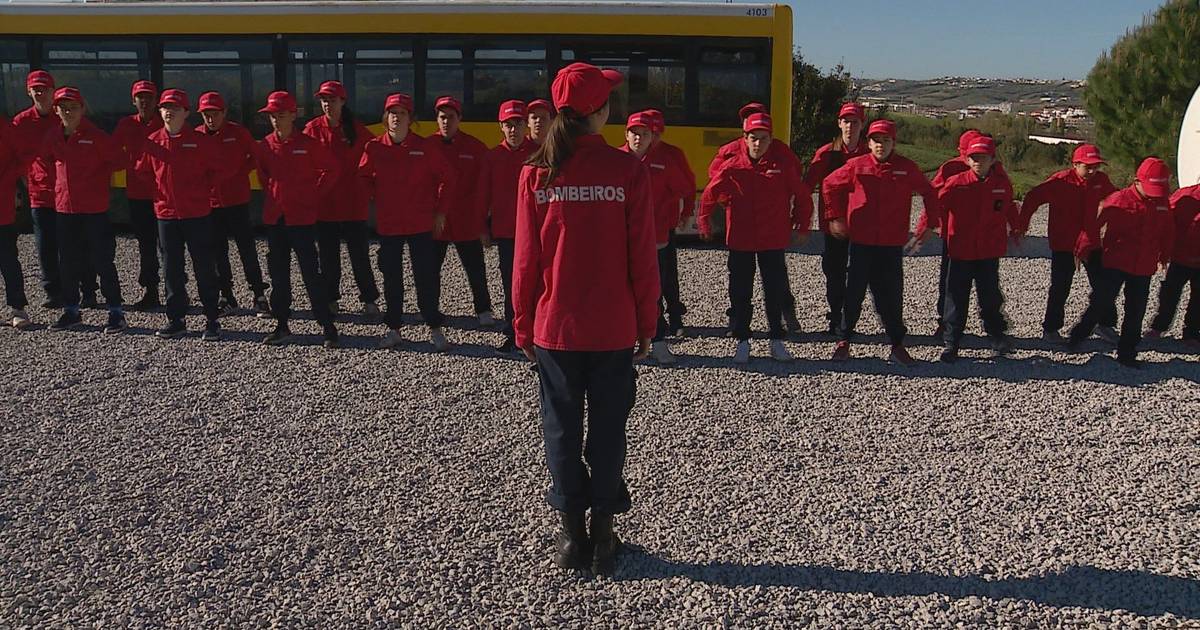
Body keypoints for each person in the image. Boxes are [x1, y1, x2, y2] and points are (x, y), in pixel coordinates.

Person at [513, 62, 658, 576]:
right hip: (614, 328)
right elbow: (643, 257)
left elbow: (526, 259)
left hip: (556, 329)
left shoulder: (537, 171)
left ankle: (572, 536)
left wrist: (523, 323)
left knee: (560, 429)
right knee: (608, 432)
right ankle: (602, 537)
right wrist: (647, 324)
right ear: (601, 110)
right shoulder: (627, 171)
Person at [822, 119, 939, 366]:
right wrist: (835, 217)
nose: (880, 145)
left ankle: (897, 345)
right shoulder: (857, 165)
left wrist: (928, 225)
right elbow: (829, 184)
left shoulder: (906, 168)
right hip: (861, 242)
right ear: (869, 142)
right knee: (853, 294)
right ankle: (844, 341)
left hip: (890, 245)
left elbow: (930, 193)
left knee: (892, 296)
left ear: (893, 143)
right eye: (876, 140)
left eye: (886, 141)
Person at [699, 112, 811, 363]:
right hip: (740, 238)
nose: (757, 143)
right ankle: (742, 339)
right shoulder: (732, 165)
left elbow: (803, 197)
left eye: (762, 138)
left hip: (772, 240)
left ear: (771, 139)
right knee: (740, 291)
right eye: (753, 138)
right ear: (745, 138)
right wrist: (704, 222)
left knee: (774, 291)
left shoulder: (782, 166)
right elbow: (709, 193)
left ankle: (776, 339)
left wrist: (802, 225)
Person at [358, 92, 455, 352]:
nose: (397, 118)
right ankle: (394, 329)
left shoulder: (426, 148)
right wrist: (371, 195)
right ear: (385, 118)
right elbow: (363, 177)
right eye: (393, 113)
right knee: (392, 278)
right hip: (389, 225)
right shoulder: (374, 147)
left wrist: (440, 211)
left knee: (426, 277)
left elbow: (447, 178)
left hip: (420, 224)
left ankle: (434, 328)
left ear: (410, 119)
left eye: (402, 113)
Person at [253, 90, 341, 348]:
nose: (276, 120)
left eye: (281, 114)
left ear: (293, 115)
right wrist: (273, 196)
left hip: (301, 218)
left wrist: (314, 194)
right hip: (276, 218)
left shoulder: (308, 144)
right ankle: (282, 324)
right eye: (272, 116)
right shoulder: (265, 145)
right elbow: (263, 176)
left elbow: (332, 169)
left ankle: (327, 325)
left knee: (311, 273)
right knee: (279, 275)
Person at [1067, 158, 1175, 367]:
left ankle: (1127, 352)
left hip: (1144, 266)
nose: (1155, 194)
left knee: (1136, 311)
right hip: (1115, 262)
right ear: (1137, 181)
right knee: (1101, 302)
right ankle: (1078, 336)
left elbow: (1168, 232)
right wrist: (1081, 249)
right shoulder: (1117, 199)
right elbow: (1092, 227)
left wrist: (1164, 256)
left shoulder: (1162, 204)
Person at [138, 88, 227, 340]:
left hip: (196, 214)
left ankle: (212, 319)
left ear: (186, 113)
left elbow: (217, 171)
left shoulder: (200, 142)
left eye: (175, 108)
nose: (168, 112)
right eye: (165, 107)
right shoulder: (153, 141)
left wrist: (200, 194)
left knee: (204, 267)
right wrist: (160, 196)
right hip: (166, 215)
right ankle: (176, 319)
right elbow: (142, 171)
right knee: (171, 269)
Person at [41, 87, 126, 333]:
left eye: (73, 107)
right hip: (65, 208)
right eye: (63, 107)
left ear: (82, 109)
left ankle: (116, 312)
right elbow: (45, 160)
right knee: (67, 262)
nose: (68, 111)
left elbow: (119, 161)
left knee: (102, 260)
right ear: (56, 110)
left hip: (94, 209)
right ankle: (71, 310)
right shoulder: (53, 136)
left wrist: (98, 178)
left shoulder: (96, 136)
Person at [10, 70, 96, 309]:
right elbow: (15, 156)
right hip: (40, 195)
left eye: (44, 89)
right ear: (29, 92)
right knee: (46, 246)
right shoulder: (21, 122)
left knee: (77, 244)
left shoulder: (64, 116)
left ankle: (88, 290)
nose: (40, 93)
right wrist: (24, 181)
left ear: (52, 91)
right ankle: (53, 292)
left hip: (69, 195)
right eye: (36, 89)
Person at [1016, 144, 1119, 342]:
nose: (1092, 171)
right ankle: (1051, 329)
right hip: (1063, 244)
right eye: (1088, 166)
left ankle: (1106, 325)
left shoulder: (1101, 180)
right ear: (1075, 164)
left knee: (1103, 286)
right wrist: (1022, 224)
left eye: (1096, 166)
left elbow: (1115, 199)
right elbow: (1032, 198)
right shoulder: (1060, 182)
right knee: (1060, 287)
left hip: (1091, 243)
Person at [933, 135, 1019, 363]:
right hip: (960, 250)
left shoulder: (1001, 184)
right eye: (974, 157)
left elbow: (1009, 207)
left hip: (988, 251)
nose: (979, 161)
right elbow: (936, 203)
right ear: (968, 160)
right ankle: (951, 342)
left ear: (993, 159)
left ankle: (996, 336)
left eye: (984, 157)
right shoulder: (956, 182)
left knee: (990, 296)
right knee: (955, 297)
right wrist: (931, 227)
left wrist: (1017, 228)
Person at [620, 111, 693, 364]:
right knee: (623, 291)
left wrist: (684, 213)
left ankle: (658, 340)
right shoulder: (615, 162)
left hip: (657, 237)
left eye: (645, 134)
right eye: (634, 133)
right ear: (626, 134)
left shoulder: (665, 161)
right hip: (622, 240)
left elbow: (685, 188)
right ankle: (625, 342)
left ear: (652, 136)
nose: (639, 138)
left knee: (654, 291)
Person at [304, 80, 380, 318]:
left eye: (332, 100)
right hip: (325, 205)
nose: (327, 104)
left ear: (343, 102)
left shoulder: (357, 129)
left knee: (359, 256)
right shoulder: (312, 129)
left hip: (353, 205)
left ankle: (369, 299)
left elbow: (375, 155)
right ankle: (331, 298)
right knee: (328, 258)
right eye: (324, 100)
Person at [195, 90, 270, 316]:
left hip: (237, 201)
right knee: (218, 253)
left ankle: (259, 295)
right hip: (211, 204)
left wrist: (239, 172)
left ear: (224, 113)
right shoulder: (196, 135)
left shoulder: (238, 133)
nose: (211, 118)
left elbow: (254, 156)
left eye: (215, 113)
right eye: (206, 114)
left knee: (247, 250)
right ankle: (226, 296)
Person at [803, 101, 868, 335]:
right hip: (834, 226)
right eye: (846, 121)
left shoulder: (870, 154)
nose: (850, 126)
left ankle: (850, 320)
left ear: (863, 125)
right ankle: (835, 318)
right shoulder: (827, 153)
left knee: (860, 275)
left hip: (862, 225)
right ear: (839, 123)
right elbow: (807, 186)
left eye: (855, 122)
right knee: (834, 272)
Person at [478, 99, 536, 354]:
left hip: (536, 231)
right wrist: (482, 226)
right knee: (512, 285)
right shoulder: (493, 157)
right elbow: (483, 195)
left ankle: (538, 333)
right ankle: (513, 332)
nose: (513, 130)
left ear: (526, 126)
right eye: (507, 125)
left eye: (517, 124)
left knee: (539, 283)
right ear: (500, 127)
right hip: (507, 232)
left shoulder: (540, 153)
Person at [431, 96, 494, 326]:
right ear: (436, 119)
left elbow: (484, 185)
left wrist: (482, 222)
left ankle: (484, 309)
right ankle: (431, 309)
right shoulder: (428, 146)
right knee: (430, 269)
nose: (446, 122)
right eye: (442, 117)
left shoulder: (475, 148)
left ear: (460, 119)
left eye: (451, 117)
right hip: (437, 219)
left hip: (466, 219)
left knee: (475, 268)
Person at [640, 108, 695, 336]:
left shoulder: (672, 155)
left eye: (656, 132)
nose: (653, 137)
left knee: (667, 275)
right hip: (640, 227)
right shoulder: (630, 155)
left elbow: (688, 186)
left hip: (665, 224)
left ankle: (674, 316)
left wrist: (686, 213)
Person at [113, 80, 165, 311]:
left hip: (164, 194)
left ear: (156, 101)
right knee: (145, 245)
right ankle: (151, 291)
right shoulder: (126, 125)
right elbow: (111, 151)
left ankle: (176, 291)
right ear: (134, 101)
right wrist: (131, 165)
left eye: (149, 97)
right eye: (140, 97)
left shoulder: (165, 122)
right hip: (138, 195)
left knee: (169, 246)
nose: (145, 101)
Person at [1145, 183, 1200, 346]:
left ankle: (1191, 333)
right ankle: (1159, 326)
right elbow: (1164, 221)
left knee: (1198, 299)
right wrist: (1161, 250)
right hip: (1180, 257)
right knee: (1169, 294)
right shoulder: (1185, 196)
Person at [0, 115, 31, 329]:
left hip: (2, 205)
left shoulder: (5, 127)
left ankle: (18, 307)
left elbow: (24, 157)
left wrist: (7, 180)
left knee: (8, 259)